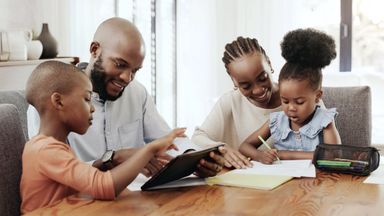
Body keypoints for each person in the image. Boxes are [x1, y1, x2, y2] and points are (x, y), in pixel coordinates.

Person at [27, 17, 224, 177]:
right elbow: (53, 169)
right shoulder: (54, 103)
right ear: (95, 50)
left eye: (135, 70)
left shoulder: (137, 93)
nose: (127, 78)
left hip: (134, 199)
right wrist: (113, 160)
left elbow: (167, 141)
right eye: (120, 65)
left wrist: (194, 159)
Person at [20, 61, 187, 213]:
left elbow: (83, 182)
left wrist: (109, 161)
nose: (92, 109)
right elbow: (103, 186)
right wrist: (150, 149)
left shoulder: (51, 147)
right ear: (58, 102)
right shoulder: (46, 151)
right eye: (87, 99)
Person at [239, 28, 341, 164]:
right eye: (285, 101)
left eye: (299, 102)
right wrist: (259, 155)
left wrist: (283, 154)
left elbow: (333, 156)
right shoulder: (276, 122)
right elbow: (244, 147)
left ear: (317, 96)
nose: (291, 108)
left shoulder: (324, 121)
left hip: (316, 182)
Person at [191, 36, 282, 169]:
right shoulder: (230, 102)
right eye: (246, 86)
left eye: (263, 78)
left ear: (269, 64)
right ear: (233, 81)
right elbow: (197, 138)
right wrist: (221, 148)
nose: (257, 90)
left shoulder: (298, 96)